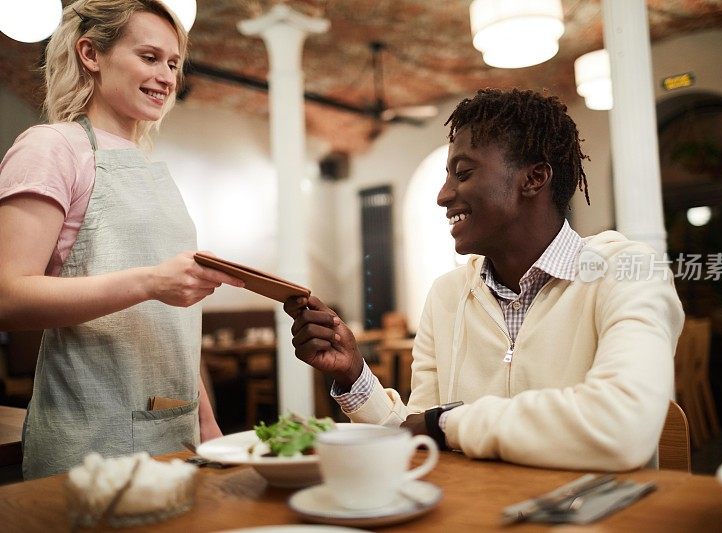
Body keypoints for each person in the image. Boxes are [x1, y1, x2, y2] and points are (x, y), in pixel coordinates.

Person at [285, 88, 684, 471]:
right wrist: (354, 375)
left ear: (534, 178)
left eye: (463, 173)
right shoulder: (446, 295)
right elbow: (418, 435)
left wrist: (448, 424)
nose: (443, 195)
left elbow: (621, 426)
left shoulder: (629, 271)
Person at [0, 0, 243, 479]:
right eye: (150, 57)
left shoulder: (152, 169)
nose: (167, 76)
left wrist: (207, 422)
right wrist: (152, 281)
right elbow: (7, 295)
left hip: (174, 436)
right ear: (91, 53)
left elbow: (169, 323)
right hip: (90, 444)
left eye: (174, 63)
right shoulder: (52, 147)